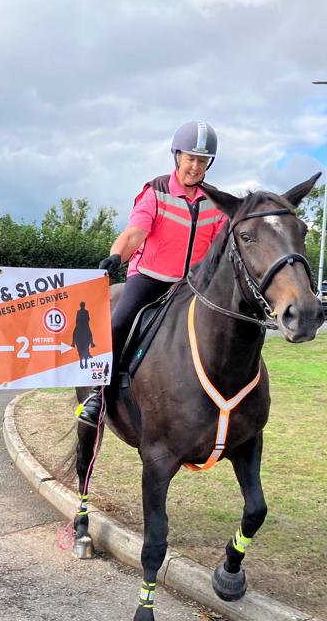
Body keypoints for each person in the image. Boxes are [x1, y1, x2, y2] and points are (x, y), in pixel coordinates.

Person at [76, 120, 228, 427]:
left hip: (192, 287)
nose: (195, 167)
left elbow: (219, 249)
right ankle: (97, 395)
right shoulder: (156, 192)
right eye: (190, 158)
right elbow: (134, 234)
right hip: (151, 278)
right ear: (177, 156)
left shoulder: (215, 202)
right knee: (118, 323)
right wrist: (116, 257)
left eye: (202, 161)